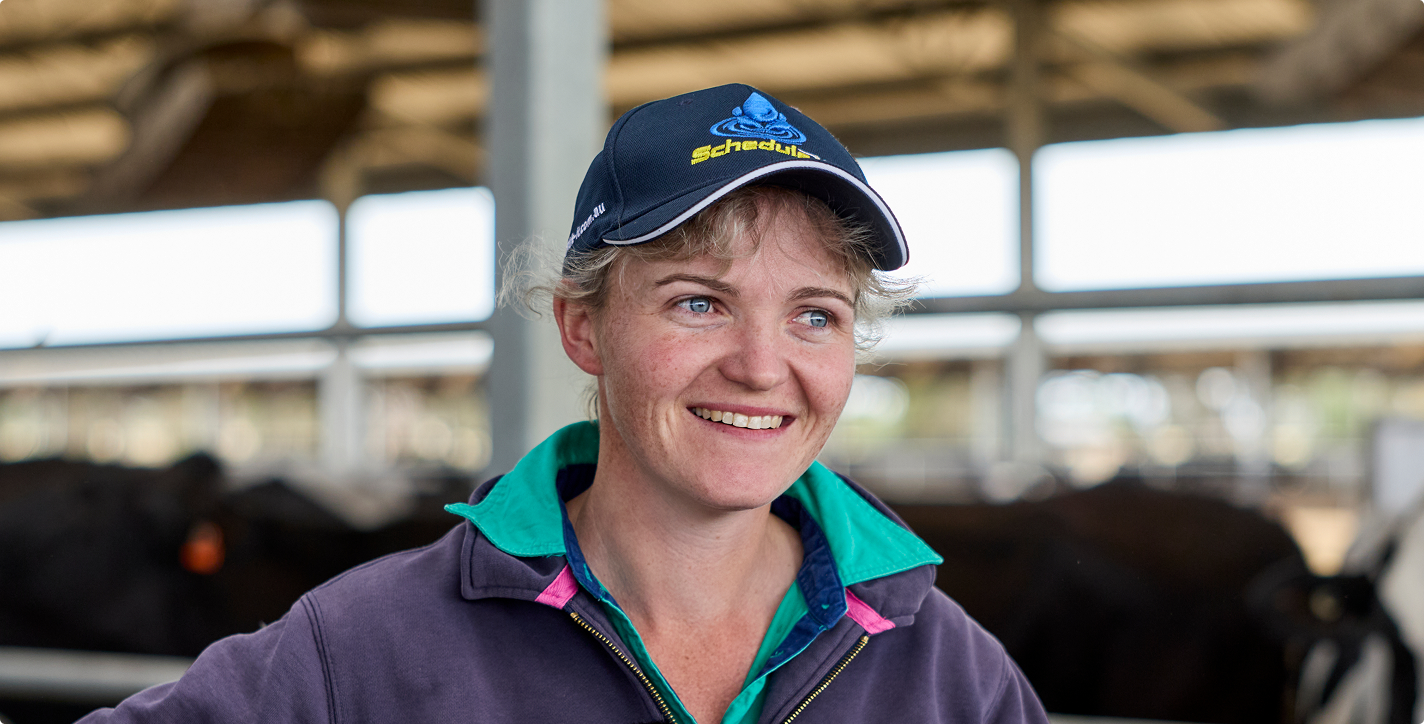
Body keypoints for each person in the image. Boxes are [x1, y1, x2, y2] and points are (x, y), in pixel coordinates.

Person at [80, 84, 1048, 724]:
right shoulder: (371, 649)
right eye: (698, 302)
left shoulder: (946, 672)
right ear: (583, 327)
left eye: (815, 315)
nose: (762, 367)